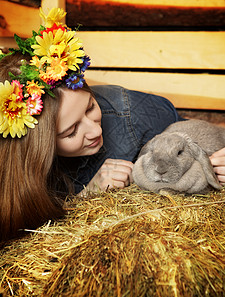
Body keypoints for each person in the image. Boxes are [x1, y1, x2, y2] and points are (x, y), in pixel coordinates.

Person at [0, 8, 224, 243]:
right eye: (72, 131)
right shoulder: (14, 168)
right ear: (36, 148)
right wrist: (86, 196)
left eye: (90, 107)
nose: (96, 130)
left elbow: (190, 141)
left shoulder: (136, 115)